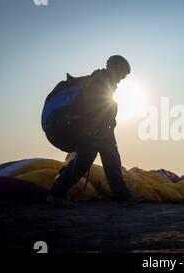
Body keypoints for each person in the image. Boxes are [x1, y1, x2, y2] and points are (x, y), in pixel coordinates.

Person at [42, 55, 136, 206]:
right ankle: (56, 194)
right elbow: (93, 107)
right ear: (115, 67)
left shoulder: (103, 80)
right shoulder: (101, 80)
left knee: (110, 160)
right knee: (86, 161)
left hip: (98, 129)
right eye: (123, 74)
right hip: (92, 129)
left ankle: (124, 198)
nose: (122, 78)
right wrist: (96, 128)